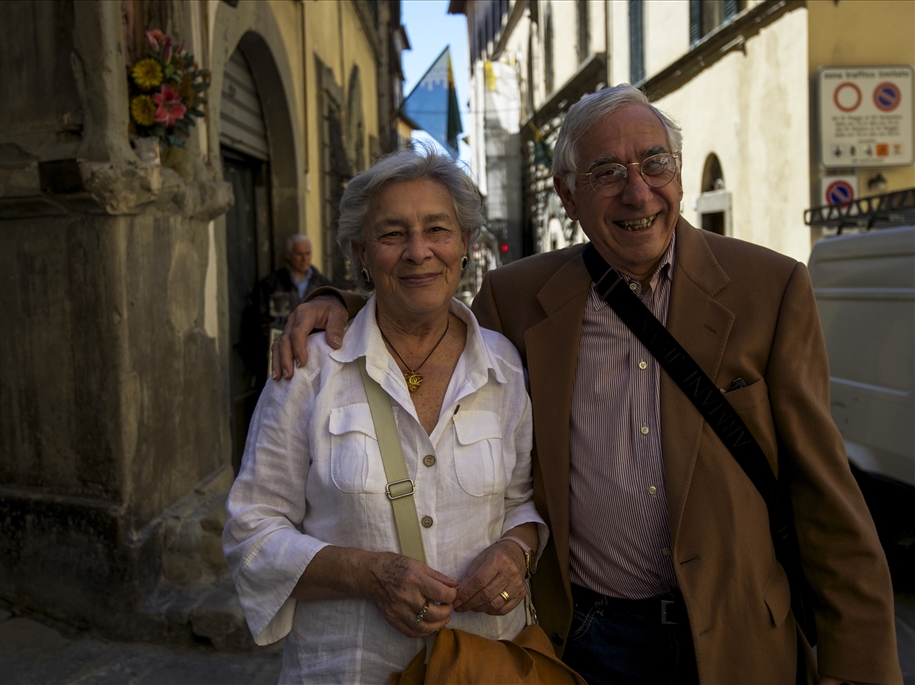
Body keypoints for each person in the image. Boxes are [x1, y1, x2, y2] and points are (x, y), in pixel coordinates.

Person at [271, 85, 902, 684]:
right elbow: (425, 320)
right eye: (606, 173)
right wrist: (338, 305)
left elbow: (821, 486)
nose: (637, 192)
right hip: (588, 639)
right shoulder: (516, 298)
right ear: (568, 197)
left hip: (738, 633)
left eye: (655, 162)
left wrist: (862, 648)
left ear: (678, 175)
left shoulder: (769, 289)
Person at [223, 148, 548, 684]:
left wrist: (516, 550)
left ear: (465, 243)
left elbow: (521, 502)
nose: (418, 252)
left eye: (437, 230)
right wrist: (369, 574)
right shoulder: (310, 369)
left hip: (481, 665)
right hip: (345, 668)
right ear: (362, 253)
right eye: (393, 234)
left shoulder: (504, 366)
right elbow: (250, 529)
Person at [256, 234, 331, 331]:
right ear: (289, 255)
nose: (305, 258)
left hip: (313, 342)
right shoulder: (271, 283)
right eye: (299, 254)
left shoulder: (322, 283)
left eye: (308, 253)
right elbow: (261, 319)